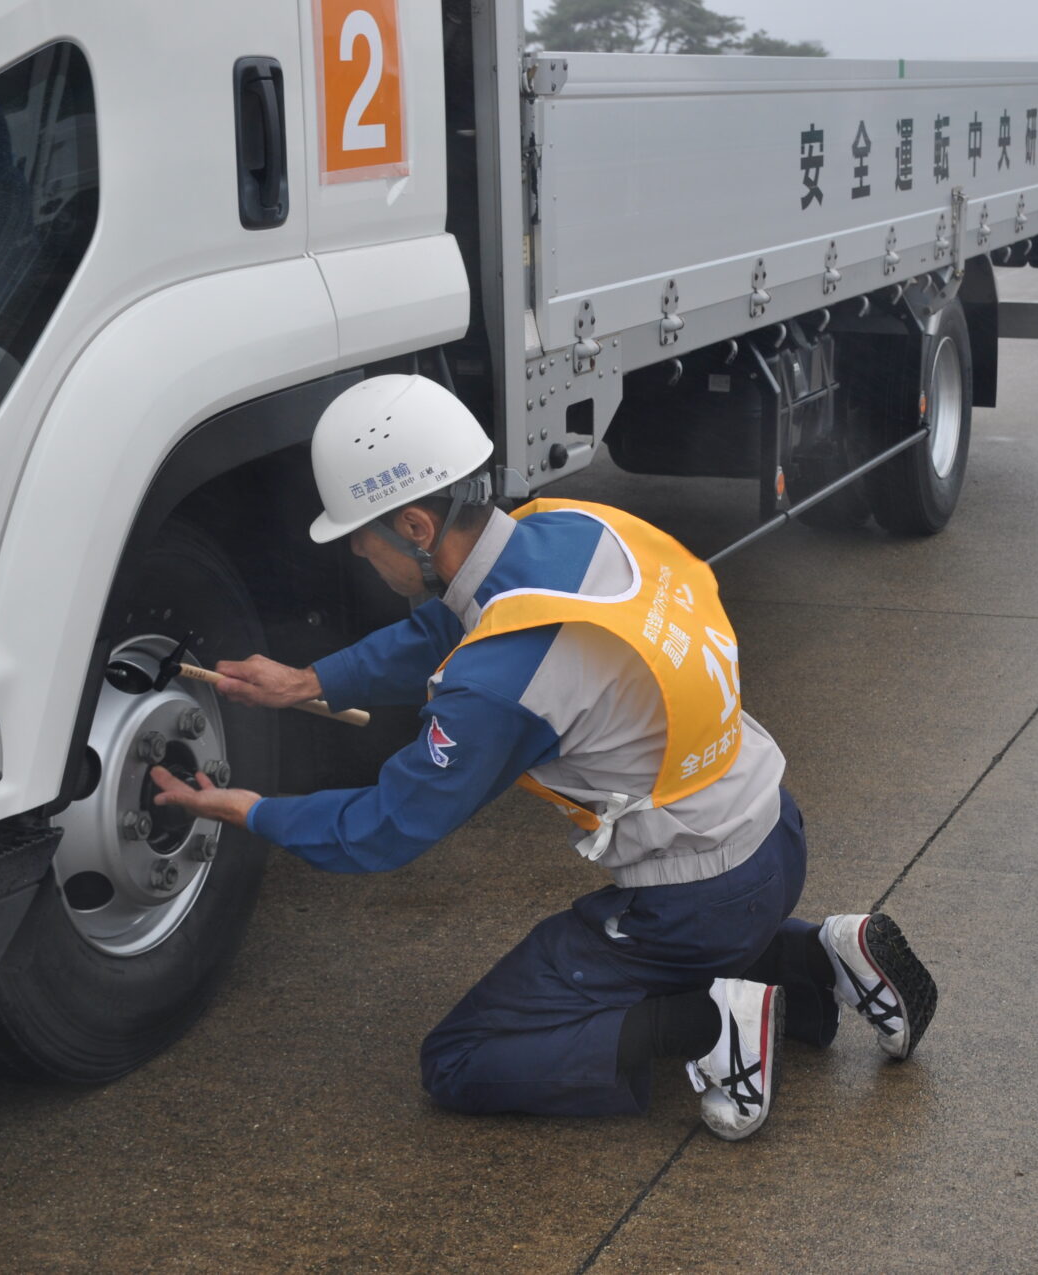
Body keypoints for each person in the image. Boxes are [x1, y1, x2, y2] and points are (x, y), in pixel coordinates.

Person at [151, 374, 937, 1137]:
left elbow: (384, 827)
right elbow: (451, 625)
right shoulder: (571, 526)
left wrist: (249, 809)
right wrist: (312, 679)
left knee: (460, 1058)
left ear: (417, 528)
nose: (359, 552)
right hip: (773, 831)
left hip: (694, 899)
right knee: (711, 930)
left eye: (362, 533)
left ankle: (708, 1028)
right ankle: (827, 954)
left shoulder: (500, 682)